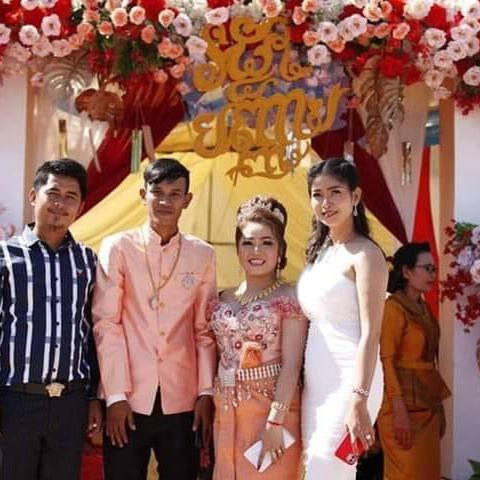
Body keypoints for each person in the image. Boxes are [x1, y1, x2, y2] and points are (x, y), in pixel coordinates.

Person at [92, 158, 217, 480]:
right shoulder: (118, 247)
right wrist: (115, 396)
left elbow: (203, 330)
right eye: (157, 192)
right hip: (128, 398)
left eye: (175, 194)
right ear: (142, 195)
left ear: (187, 200)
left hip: (182, 397)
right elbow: (107, 323)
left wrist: (205, 392)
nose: (165, 201)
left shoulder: (203, 254)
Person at [0, 159, 102, 480]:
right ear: (33, 196)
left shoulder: (89, 262)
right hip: (15, 401)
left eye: (71, 197)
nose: (60, 204)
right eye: (53, 193)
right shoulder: (5, 257)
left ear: (80, 207)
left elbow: (95, 333)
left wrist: (93, 398)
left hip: (70, 404)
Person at [297, 157, 388, 479]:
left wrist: (359, 399)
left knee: (327, 467)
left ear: (356, 196)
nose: (326, 203)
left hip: (352, 384)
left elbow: (371, 334)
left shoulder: (367, 255)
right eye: (317, 194)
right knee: (314, 468)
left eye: (335, 192)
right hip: (316, 386)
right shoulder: (320, 253)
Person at [209, 196, 307, 480]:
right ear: (237, 248)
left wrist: (275, 422)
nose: (256, 250)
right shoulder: (224, 296)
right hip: (226, 408)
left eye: (267, 242)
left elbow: (292, 364)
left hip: (271, 409)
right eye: (248, 242)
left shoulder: (289, 297)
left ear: (280, 249)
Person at [377, 242, 450, 480]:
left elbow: (431, 362)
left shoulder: (425, 308)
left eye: (433, 269)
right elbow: (387, 360)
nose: (432, 274)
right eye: (427, 268)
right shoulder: (393, 308)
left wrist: (439, 407)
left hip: (428, 407)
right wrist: (398, 411)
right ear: (407, 272)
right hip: (401, 410)